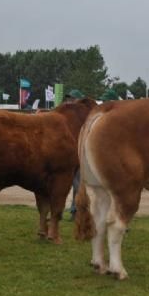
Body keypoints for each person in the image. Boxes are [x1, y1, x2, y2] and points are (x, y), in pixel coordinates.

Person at [64, 89, 85, 221]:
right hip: (69, 154)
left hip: (79, 154)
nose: (69, 101)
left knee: (78, 184)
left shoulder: (82, 117)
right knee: (75, 184)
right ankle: (74, 211)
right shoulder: (67, 115)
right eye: (69, 98)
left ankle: (77, 211)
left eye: (72, 98)